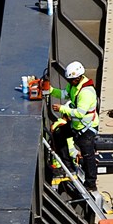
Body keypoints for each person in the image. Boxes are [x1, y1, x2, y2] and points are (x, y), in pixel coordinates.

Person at [43, 61, 100, 191]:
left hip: (86, 129)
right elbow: (63, 94)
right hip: (77, 125)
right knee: (59, 133)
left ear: (79, 77)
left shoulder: (86, 92)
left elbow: (80, 113)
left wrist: (62, 109)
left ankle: (91, 183)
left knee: (88, 155)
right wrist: (50, 90)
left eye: (72, 80)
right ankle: (67, 166)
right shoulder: (73, 86)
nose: (70, 82)